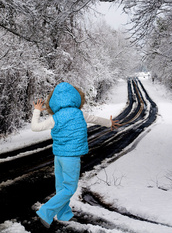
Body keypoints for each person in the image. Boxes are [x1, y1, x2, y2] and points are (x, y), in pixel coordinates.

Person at [31, 82, 120, 228]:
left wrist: (37, 110)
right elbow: (95, 119)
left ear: (53, 101)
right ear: (75, 97)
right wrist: (109, 123)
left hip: (58, 156)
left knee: (61, 186)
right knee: (69, 188)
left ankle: (63, 214)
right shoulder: (79, 113)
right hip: (71, 157)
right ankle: (45, 211)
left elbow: (35, 127)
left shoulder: (56, 117)